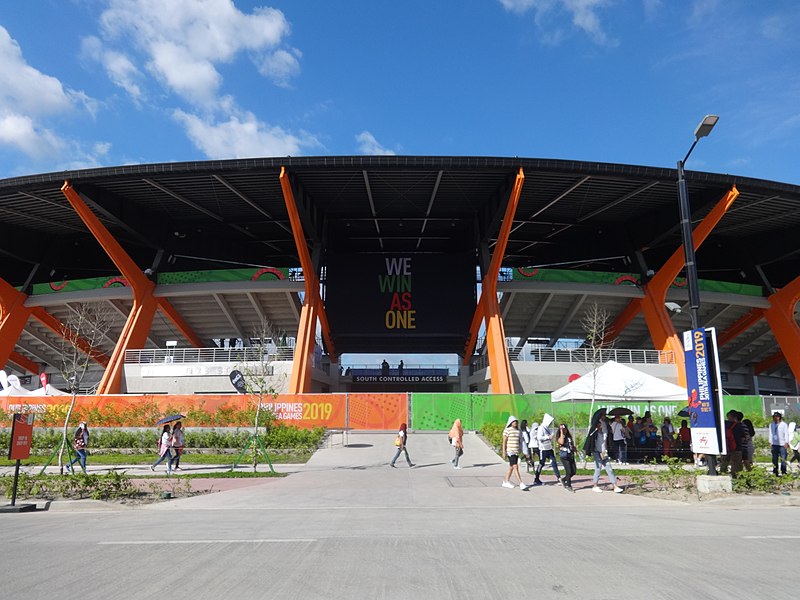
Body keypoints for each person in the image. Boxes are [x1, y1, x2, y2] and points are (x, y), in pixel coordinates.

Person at [583, 418, 623, 493]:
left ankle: (615, 486)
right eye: (598, 426)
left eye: (601, 426)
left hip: (603, 453)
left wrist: (606, 451)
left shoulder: (604, 434)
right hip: (596, 452)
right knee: (598, 468)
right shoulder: (593, 434)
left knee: (609, 468)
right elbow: (590, 442)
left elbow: (605, 443)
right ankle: (595, 485)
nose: (600, 427)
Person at [533, 413, 561, 486]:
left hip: (549, 448)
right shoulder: (541, 428)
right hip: (543, 449)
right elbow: (539, 437)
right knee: (541, 463)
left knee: (554, 462)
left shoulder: (547, 428)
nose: (550, 423)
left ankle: (558, 477)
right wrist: (548, 437)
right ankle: (536, 479)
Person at [501, 416, 527, 490]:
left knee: (511, 467)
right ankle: (521, 483)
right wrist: (504, 452)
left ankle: (505, 481)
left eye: (516, 421)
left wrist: (522, 450)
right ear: (510, 422)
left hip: (516, 451)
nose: (515, 422)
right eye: (513, 421)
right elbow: (504, 442)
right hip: (510, 451)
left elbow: (521, 441)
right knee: (515, 466)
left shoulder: (518, 430)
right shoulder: (507, 430)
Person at [556, 423, 577, 492]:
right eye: (562, 429)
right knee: (568, 471)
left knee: (573, 471)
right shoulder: (560, 437)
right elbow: (561, 442)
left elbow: (571, 445)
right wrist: (561, 432)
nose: (564, 430)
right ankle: (568, 485)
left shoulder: (568, 437)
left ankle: (563, 479)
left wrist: (574, 448)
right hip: (564, 456)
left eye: (565, 429)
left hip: (570, 455)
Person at [768, 411, 789, 476]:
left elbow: (786, 434)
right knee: (774, 459)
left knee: (783, 459)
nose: (774, 418)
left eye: (776, 417)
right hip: (774, 444)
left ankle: (783, 471)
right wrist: (770, 442)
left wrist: (786, 442)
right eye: (774, 417)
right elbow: (770, 434)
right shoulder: (771, 424)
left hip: (782, 444)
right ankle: (775, 471)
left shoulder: (784, 424)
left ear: (779, 417)